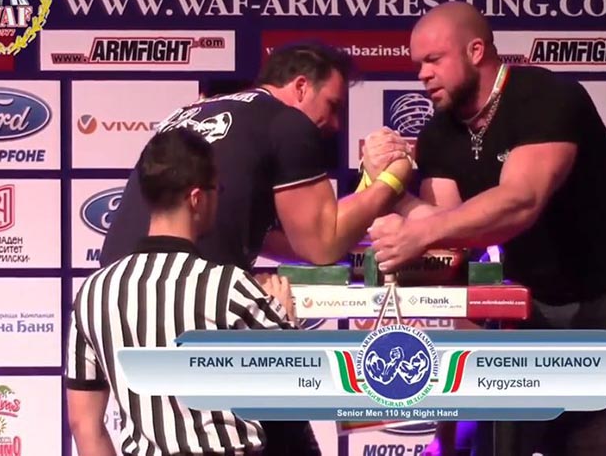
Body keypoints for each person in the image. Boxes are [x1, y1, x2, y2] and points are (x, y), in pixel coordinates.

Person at [363, 2, 606, 456]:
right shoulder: (439, 133)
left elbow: (522, 200)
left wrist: (417, 234)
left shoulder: (547, 97)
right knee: (544, 441)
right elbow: (448, 232)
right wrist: (392, 184)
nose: (422, 74)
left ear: (476, 50)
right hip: (533, 299)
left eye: (433, 60)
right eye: (418, 64)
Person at [66, 127, 300, 456]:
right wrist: (285, 318)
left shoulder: (94, 294)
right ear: (197, 199)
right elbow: (301, 389)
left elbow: (83, 424)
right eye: (218, 189)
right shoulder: (230, 287)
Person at [100, 40, 412, 271]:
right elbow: (321, 244)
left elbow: (272, 238)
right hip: (187, 301)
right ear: (301, 87)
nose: (335, 124)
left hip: (111, 294)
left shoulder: (187, 113)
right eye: (332, 106)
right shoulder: (287, 122)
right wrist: (393, 179)